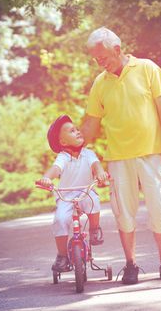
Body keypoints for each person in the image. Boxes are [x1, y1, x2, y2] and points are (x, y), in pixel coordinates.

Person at [81, 27, 161, 284]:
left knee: (160, 210)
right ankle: (130, 265)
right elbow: (92, 123)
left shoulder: (148, 68)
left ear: (117, 49)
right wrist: (74, 148)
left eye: (102, 56)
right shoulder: (100, 83)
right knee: (123, 213)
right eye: (95, 58)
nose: (99, 62)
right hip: (118, 158)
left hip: (151, 154)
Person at [37, 115, 108, 272]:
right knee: (60, 219)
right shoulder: (63, 157)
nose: (77, 132)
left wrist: (101, 173)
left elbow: (96, 166)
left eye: (77, 129)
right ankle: (62, 256)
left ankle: (94, 229)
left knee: (93, 201)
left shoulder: (88, 153)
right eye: (71, 131)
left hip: (85, 192)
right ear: (63, 142)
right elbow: (56, 169)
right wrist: (46, 178)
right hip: (66, 196)